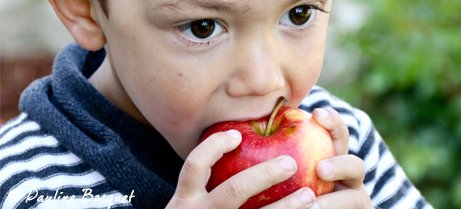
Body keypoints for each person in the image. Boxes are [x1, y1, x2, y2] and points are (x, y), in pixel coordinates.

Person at [0, 0, 433, 208]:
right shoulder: (26, 188)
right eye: (203, 27)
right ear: (85, 11)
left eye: (298, 14)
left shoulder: (344, 150)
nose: (264, 80)